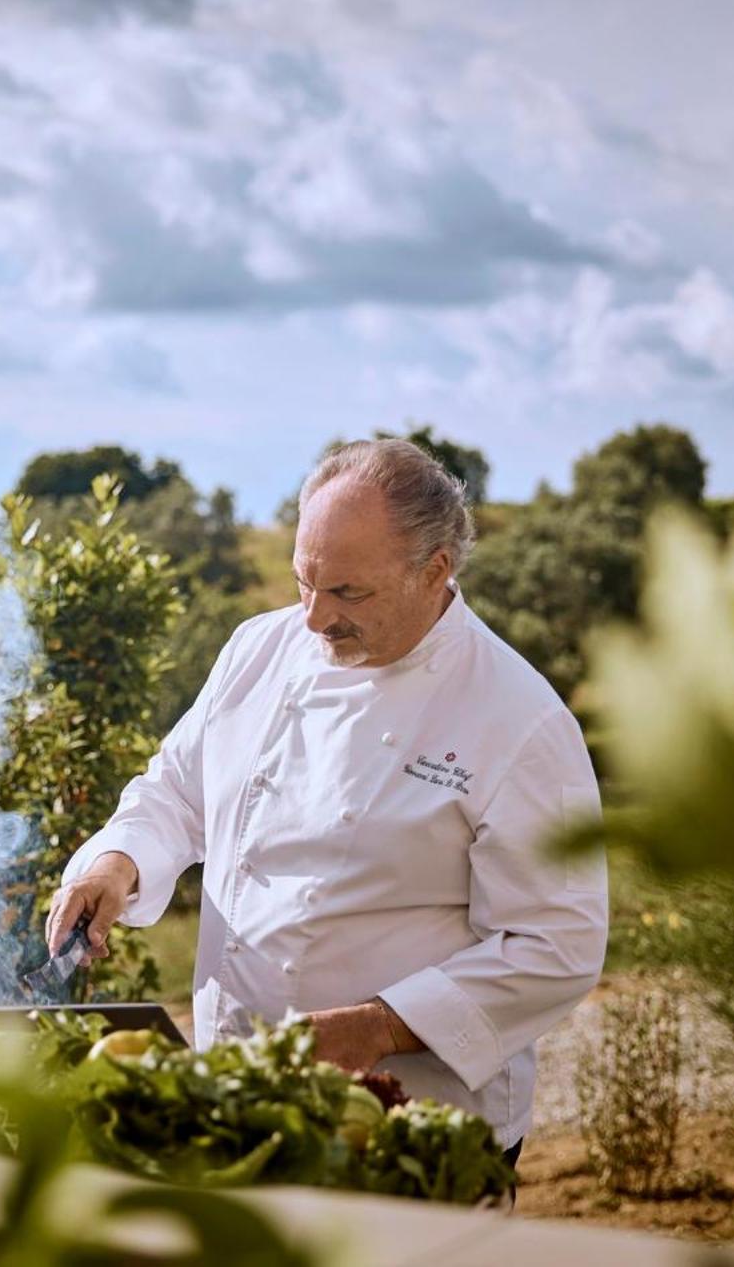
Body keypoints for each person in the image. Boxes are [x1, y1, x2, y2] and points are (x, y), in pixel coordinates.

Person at [46, 438, 607, 1169]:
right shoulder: (258, 648)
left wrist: (381, 1026)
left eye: (348, 593)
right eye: (304, 582)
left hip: (407, 1128)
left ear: (436, 569)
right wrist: (115, 863)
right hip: (237, 1104)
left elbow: (557, 944)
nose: (313, 618)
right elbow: (178, 791)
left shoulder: (519, 718)